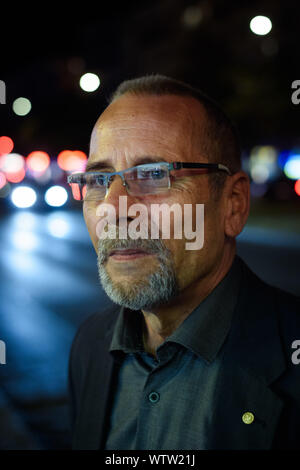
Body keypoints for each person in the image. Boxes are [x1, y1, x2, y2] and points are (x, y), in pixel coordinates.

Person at [68, 74, 300, 450]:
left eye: (153, 175)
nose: (112, 208)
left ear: (233, 204)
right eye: (98, 181)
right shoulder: (89, 346)